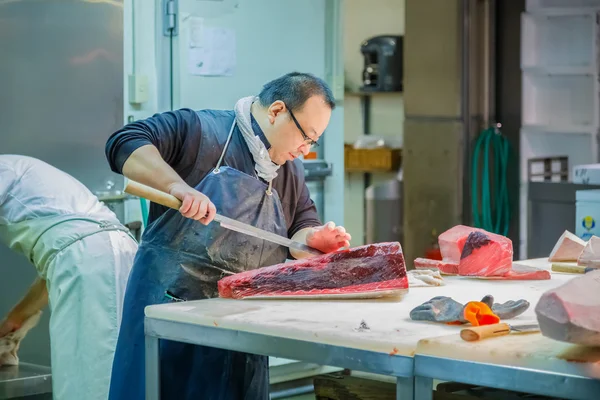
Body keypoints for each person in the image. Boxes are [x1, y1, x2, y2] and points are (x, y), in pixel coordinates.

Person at [105, 71, 352, 399]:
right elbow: (124, 141)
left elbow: (301, 223)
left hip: (240, 328)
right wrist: (176, 186)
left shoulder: (288, 168)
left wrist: (311, 239)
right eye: (306, 136)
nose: (305, 150)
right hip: (171, 320)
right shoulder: (200, 131)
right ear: (277, 111)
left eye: (313, 142)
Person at [0, 154, 138, 400]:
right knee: (114, 372)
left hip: (91, 262)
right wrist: (15, 319)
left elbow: (73, 253)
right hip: (111, 257)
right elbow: (64, 258)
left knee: (89, 379)